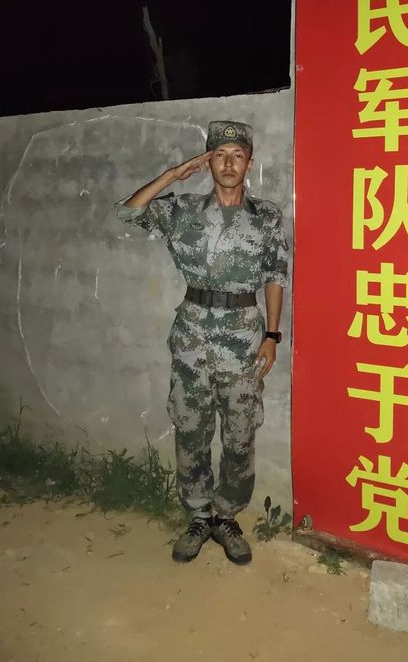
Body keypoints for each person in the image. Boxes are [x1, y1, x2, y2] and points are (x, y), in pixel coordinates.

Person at [116, 121, 288, 565]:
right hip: (192, 337)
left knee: (240, 433)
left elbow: (275, 275)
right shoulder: (184, 210)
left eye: (237, 155)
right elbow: (128, 213)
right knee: (191, 430)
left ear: (249, 163)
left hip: (244, 339)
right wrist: (173, 175)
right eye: (220, 155)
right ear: (208, 162)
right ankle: (198, 515)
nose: (229, 163)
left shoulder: (266, 216)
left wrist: (272, 335)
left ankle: (227, 517)